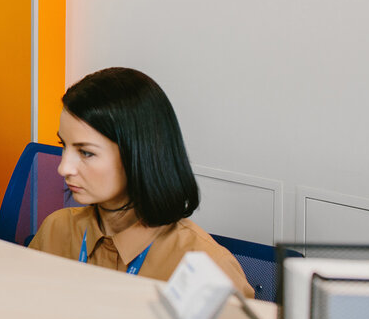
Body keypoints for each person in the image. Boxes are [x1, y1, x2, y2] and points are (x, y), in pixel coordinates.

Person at [28, 67, 253, 296]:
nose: (63, 168)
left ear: (139, 154)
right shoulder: (55, 231)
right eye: (63, 146)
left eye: (86, 153)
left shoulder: (207, 269)